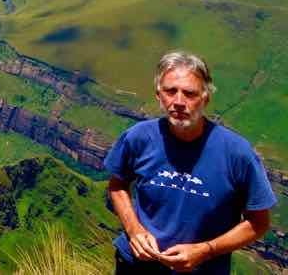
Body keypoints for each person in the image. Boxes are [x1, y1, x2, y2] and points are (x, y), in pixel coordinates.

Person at [104, 50, 277, 273]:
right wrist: (134, 229)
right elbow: (117, 185)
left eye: (189, 93)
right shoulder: (138, 137)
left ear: (206, 97)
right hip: (136, 264)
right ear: (159, 95)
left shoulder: (237, 153)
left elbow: (258, 222)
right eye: (170, 91)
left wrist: (206, 250)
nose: (178, 102)